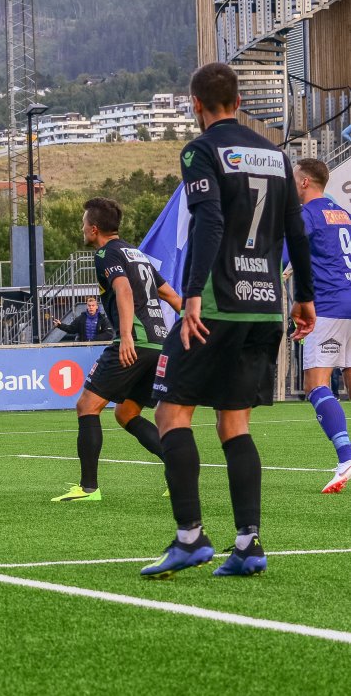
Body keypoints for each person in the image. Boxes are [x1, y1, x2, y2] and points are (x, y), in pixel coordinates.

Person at [141, 62, 315, 579]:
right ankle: (248, 544)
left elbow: (210, 219)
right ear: (238, 102)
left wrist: (192, 293)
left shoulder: (200, 150)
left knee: (171, 414)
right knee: (234, 423)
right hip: (265, 306)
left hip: (216, 304)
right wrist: (304, 297)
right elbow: (295, 230)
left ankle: (190, 537)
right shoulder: (278, 156)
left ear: (196, 105)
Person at [52, 198, 182, 502]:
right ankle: (179, 471)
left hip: (135, 342)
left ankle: (88, 489)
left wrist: (125, 337)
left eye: (83, 223)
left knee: (87, 406)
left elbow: (122, 289)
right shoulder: (137, 255)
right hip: (159, 344)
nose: (82, 228)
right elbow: (171, 295)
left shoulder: (105, 253)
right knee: (126, 413)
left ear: (94, 228)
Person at [293, 158, 351, 494]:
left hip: (327, 306)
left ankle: (346, 458)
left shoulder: (306, 215)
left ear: (304, 182)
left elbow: (287, 258)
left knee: (316, 384)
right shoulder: (344, 214)